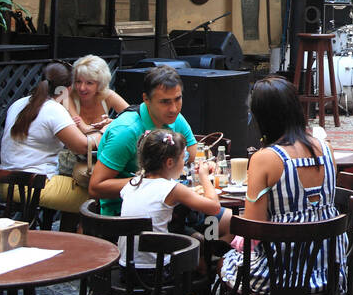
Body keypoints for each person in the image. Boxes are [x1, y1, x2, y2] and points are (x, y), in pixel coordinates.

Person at [220, 76, 349, 295]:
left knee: (225, 263)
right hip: (325, 268)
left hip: (283, 272)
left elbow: (255, 231)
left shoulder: (265, 158)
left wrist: (219, 217)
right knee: (248, 256)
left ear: (262, 117)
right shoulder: (324, 147)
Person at [88, 65, 216, 216]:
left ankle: (207, 237)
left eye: (178, 99)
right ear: (146, 99)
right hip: (125, 217)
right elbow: (95, 188)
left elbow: (197, 157)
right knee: (215, 220)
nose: (174, 108)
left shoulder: (175, 118)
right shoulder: (125, 131)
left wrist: (209, 165)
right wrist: (153, 183)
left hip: (173, 207)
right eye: (165, 102)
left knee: (223, 221)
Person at [0, 61, 94, 227]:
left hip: (8, 183)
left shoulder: (19, 103)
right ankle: (74, 244)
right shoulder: (53, 109)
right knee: (96, 193)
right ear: (67, 89)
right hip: (35, 185)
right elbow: (81, 146)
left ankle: (66, 238)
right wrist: (104, 132)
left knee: (75, 183)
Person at [119, 128, 229, 268]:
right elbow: (214, 207)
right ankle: (204, 275)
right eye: (183, 158)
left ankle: (204, 263)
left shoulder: (132, 183)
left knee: (188, 230)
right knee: (201, 234)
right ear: (170, 162)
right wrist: (204, 177)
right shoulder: (171, 189)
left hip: (127, 268)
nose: (185, 162)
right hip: (158, 272)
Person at [61, 54, 130, 136]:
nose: (82, 88)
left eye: (89, 83)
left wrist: (112, 123)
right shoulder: (67, 96)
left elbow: (132, 118)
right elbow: (85, 130)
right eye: (78, 81)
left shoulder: (108, 95)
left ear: (100, 84)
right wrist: (109, 126)